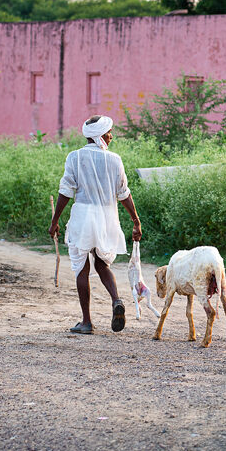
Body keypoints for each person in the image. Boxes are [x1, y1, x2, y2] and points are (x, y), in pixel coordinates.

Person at [49, 115, 142, 334]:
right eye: (109, 132)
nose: (111, 136)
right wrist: (136, 221)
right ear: (100, 135)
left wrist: (55, 222)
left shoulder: (75, 157)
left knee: (82, 267)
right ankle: (116, 300)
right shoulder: (115, 159)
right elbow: (124, 194)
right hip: (107, 217)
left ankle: (87, 322)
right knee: (102, 263)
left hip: (83, 215)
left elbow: (65, 192)